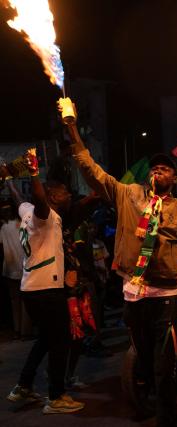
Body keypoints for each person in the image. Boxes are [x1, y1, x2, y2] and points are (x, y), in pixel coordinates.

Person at [61, 99, 177, 427]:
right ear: (149, 175)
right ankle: (150, 401)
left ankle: (166, 414)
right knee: (143, 356)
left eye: (166, 168)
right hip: (133, 291)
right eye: (155, 167)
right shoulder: (128, 194)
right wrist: (73, 130)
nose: (159, 171)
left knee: (162, 360)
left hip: (167, 295)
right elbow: (93, 171)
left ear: (174, 177)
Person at [1, 150, 85, 414]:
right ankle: (56, 397)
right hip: (47, 290)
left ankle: (23, 385)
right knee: (60, 341)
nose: (69, 195)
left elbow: (18, 199)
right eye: (63, 192)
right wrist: (34, 173)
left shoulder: (26, 213)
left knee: (46, 339)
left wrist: (7, 180)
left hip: (30, 289)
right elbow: (37, 198)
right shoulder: (45, 215)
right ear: (52, 196)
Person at [0, 190, 30, 338]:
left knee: (14, 301)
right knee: (24, 300)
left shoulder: (2, 228)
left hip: (9, 269)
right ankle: (25, 330)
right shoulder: (21, 224)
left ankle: (17, 329)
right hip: (22, 266)